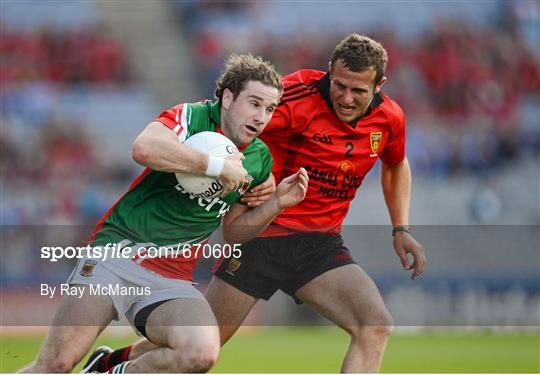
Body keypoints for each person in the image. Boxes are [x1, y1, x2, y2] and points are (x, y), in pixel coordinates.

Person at [84, 34, 426, 373]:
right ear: (329, 72)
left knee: (376, 325)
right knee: (201, 344)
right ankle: (111, 363)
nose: (346, 98)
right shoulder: (296, 94)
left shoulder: (390, 119)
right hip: (258, 235)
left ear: (379, 84)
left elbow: (395, 163)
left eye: (359, 91)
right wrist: (247, 178)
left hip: (319, 244)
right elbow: (228, 124)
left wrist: (401, 227)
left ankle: (109, 363)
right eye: (339, 85)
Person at [20, 54, 309, 374]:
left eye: (269, 109)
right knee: (56, 364)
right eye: (254, 103)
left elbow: (234, 232)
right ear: (228, 97)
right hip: (117, 256)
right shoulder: (192, 116)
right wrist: (216, 167)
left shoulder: (258, 158)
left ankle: (106, 371)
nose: (262, 117)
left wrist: (276, 205)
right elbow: (144, 148)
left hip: (172, 277)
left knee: (200, 354)